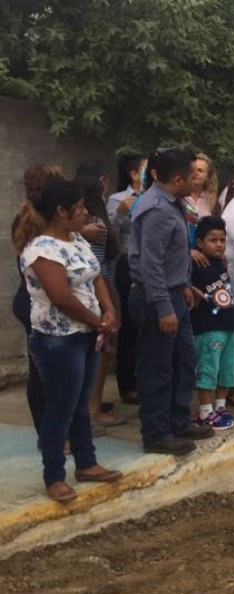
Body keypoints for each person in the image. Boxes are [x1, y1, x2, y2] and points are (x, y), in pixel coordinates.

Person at [20, 180, 123, 503]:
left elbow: (96, 276)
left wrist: (108, 310)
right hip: (58, 340)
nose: (85, 213)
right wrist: (99, 321)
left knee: (80, 405)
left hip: (86, 334)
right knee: (60, 409)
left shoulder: (76, 239)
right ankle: (54, 476)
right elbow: (61, 298)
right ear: (60, 211)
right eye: (78, 208)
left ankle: (87, 463)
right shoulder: (42, 250)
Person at [129, 148, 213, 455]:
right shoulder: (157, 209)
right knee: (157, 369)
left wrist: (185, 285)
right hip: (156, 299)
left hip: (175, 292)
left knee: (184, 360)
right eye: (192, 176)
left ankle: (178, 421)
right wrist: (164, 307)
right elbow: (151, 264)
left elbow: (173, 254)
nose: (197, 181)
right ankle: (156, 434)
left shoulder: (173, 203)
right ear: (178, 179)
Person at [12, 164, 64, 441]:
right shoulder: (37, 223)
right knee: (45, 372)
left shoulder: (29, 218)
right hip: (37, 302)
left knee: (47, 371)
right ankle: (49, 434)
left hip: (31, 299)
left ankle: (53, 431)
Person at [74, 162, 126, 430]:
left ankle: (90, 406)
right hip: (99, 286)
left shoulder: (85, 222)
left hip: (98, 285)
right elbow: (96, 264)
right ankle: (92, 408)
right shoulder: (93, 222)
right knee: (101, 349)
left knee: (98, 349)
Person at [189, 216, 234, 429]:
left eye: (222, 240)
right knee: (208, 367)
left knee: (227, 368)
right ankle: (205, 411)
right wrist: (189, 252)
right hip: (208, 326)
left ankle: (220, 407)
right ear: (200, 242)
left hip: (229, 323)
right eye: (213, 240)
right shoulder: (194, 263)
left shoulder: (222, 262)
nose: (219, 244)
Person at [108, 155, 145, 405]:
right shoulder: (117, 199)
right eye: (144, 169)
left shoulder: (157, 198)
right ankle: (128, 384)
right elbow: (110, 236)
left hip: (152, 265)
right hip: (128, 264)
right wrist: (121, 214)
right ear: (133, 174)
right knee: (130, 325)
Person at [187, 153, 219, 219]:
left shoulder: (212, 201)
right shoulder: (179, 197)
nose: (196, 173)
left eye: (200, 170)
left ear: (208, 177)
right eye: (193, 169)